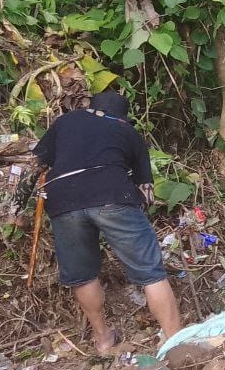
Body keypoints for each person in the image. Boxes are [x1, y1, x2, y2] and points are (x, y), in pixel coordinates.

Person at [32, 91, 182, 354]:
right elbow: (146, 192)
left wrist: (16, 206)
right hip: (113, 196)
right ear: (122, 116)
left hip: (63, 201)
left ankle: (103, 340)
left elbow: (37, 164)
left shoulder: (66, 121)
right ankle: (175, 341)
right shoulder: (128, 132)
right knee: (151, 273)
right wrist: (137, 211)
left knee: (83, 275)